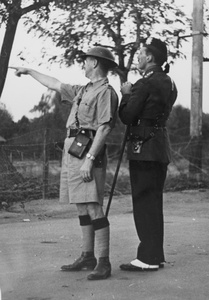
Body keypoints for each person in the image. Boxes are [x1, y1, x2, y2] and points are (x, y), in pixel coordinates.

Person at [10, 46, 118, 280]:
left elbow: (105, 127)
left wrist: (89, 160)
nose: (83, 63)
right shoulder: (82, 90)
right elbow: (55, 83)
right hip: (73, 149)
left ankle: (103, 261)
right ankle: (88, 256)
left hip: (88, 150)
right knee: (81, 204)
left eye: (86, 59)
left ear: (96, 63)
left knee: (92, 205)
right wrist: (28, 70)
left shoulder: (106, 92)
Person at [118, 37, 177, 271]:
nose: (139, 57)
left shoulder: (143, 84)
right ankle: (155, 255)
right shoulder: (170, 83)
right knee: (154, 202)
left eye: (141, 54)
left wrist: (125, 94)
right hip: (160, 147)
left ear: (150, 58)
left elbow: (127, 117)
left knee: (143, 202)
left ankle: (148, 258)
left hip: (142, 149)